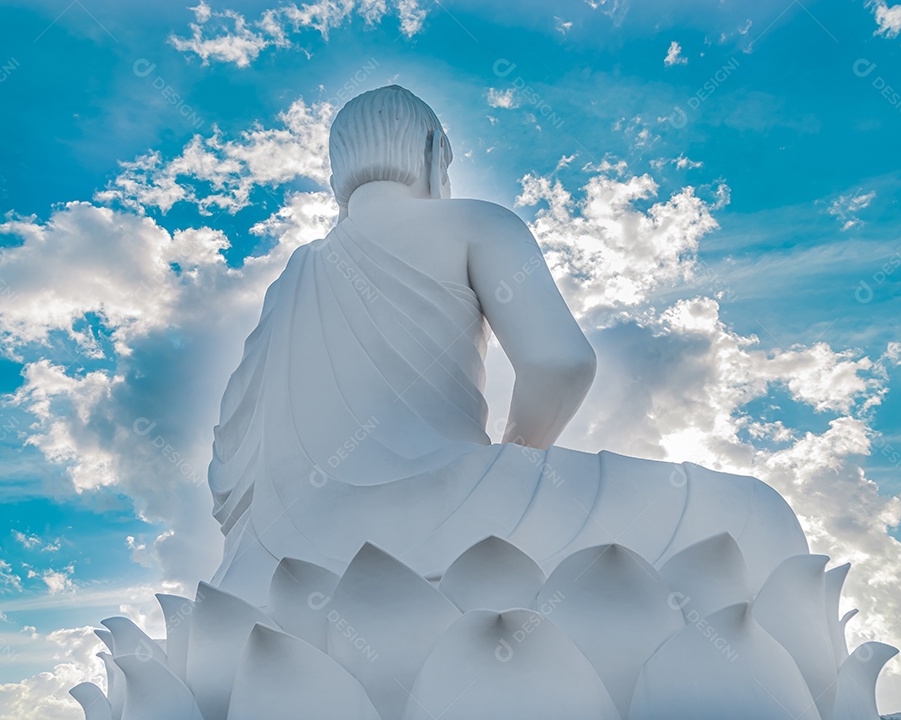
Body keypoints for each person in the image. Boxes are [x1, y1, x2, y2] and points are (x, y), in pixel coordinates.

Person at [207, 85, 807, 606]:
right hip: (451, 510)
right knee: (753, 517)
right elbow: (560, 363)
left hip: (267, 564)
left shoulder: (292, 274)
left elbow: (231, 463)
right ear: (430, 153)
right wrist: (520, 455)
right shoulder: (475, 221)